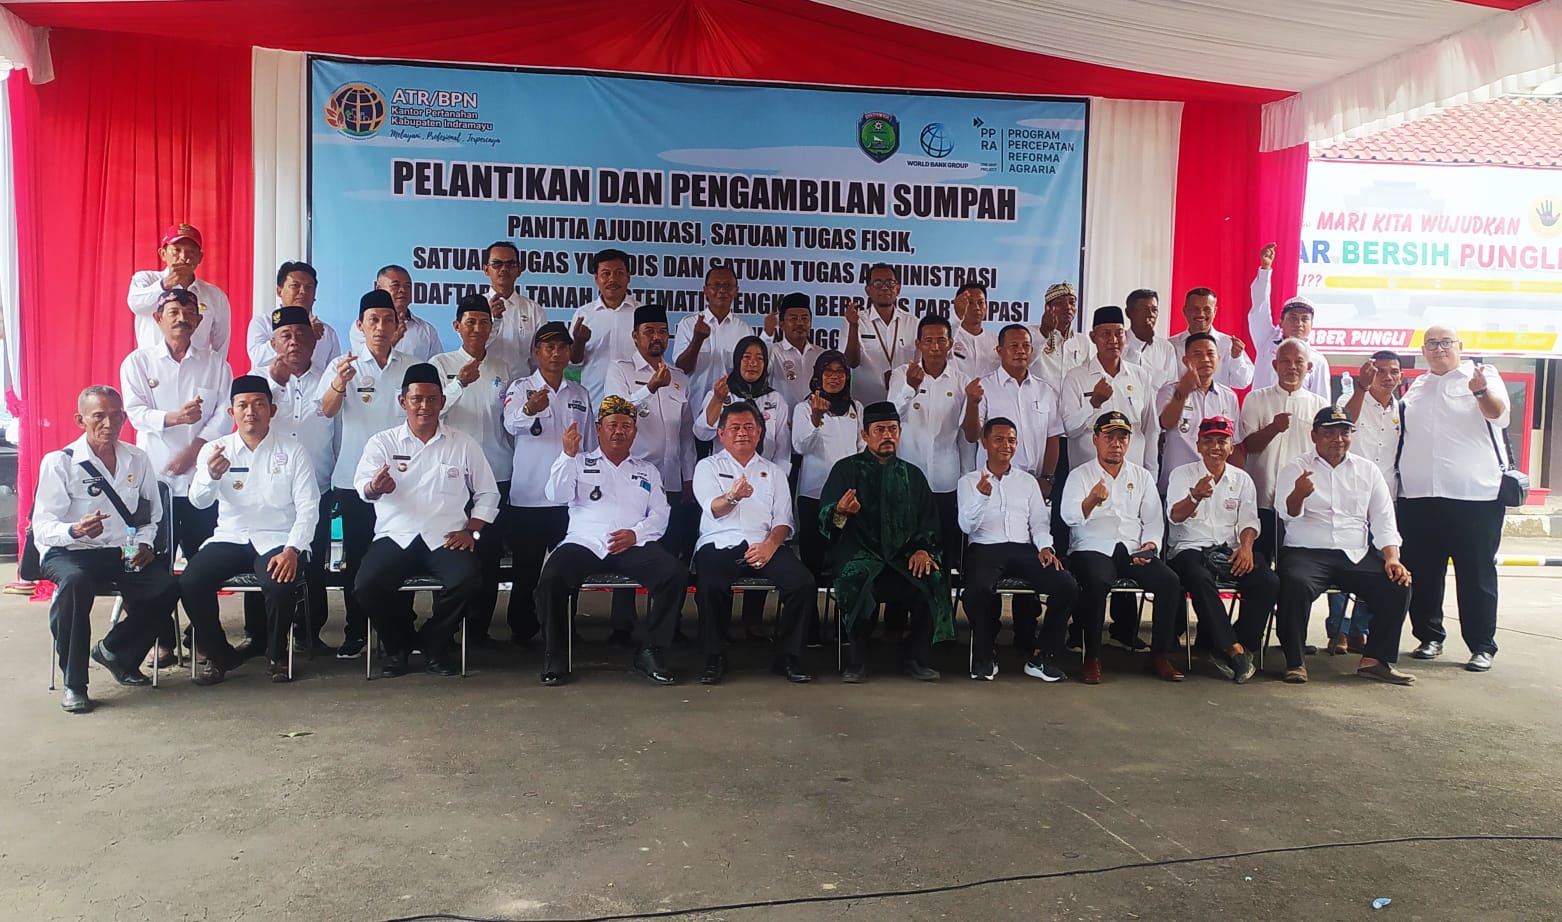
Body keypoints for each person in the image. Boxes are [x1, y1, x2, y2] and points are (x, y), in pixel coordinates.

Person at [34, 387, 179, 713]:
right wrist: (74, 529)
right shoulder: (60, 463)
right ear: (80, 420)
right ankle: (75, 684)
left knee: (167, 587)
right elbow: (42, 526)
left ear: (125, 418)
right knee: (75, 584)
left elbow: (150, 515)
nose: (109, 424)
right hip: (69, 551)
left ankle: (116, 651)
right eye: (98, 416)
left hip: (120, 550)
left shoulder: (137, 459)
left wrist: (145, 543)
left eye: (116, 416)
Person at [353, 363, 499, 678]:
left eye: (432, 399)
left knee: (468, 581)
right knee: (367, 585)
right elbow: (362, 486)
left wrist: (471, 531)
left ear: (442, 402)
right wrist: (375, 487)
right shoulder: (383, 442)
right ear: (402, 401)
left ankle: (436, 642)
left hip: (446, 537)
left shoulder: (462, 443)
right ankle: (397, 645)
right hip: (396, 535)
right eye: (417, 399)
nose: (424, 406)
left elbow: (488, 493)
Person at [534, 397, 687, 686]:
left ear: (635, 432)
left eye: (626, 426)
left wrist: (636, 534)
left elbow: (660, 514)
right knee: (551, 578)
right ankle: (555, 655)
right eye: (612, 425)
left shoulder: (647, 470)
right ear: (598, 428)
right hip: (584, 542)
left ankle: (652, 651)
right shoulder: (579, 461)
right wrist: (567, 455)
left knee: (674, 573)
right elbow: (556, 495)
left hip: (633, 543)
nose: (619, 431)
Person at [119, 287, 233, 666]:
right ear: (158, 318)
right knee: (155, 564)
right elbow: (134, 412)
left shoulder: (216, 365)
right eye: (173, 312)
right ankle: (163, 640)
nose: (182, 318)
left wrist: (194, 449)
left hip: (202, 480)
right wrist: (173, 418)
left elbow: (223, 416)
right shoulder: (138, 362)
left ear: (199, 320)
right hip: (155, 481)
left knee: (202, 566)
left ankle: (202, 638)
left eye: (188, 312)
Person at [182, 375, 319, 684]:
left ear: (272, 409)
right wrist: (209, 476)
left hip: (278, 537)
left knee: (280, 583)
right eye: (242, 405)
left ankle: (276, 654)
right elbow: (199, 502)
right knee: (191, 581)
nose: (250, 412)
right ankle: (220, 655)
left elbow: (309, 507)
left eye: (259, 404)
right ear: (231, 412)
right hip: (232, 536)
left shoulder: (293, 450)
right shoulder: (216, 450)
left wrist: (293, 550)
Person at [1274, 406, 1415, 685]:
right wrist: (1298, 494)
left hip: (1354, 552)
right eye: (1329, 433)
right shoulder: (1296, 468)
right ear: (1314, 436)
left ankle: (1375, 661)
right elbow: (1286, 513)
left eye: (1344, 432)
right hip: (1307, 551)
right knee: (1294, 584)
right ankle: (1295, 661)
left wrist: (1392, 557)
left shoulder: (1367, 470)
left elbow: (1384, 518)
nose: (1338, 439)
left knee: (1397, 584)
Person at [1397, 326, 1509, 672]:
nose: (1439, 348)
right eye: (1432, 343)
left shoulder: (1482, 375)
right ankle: (1429, 636)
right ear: (1423, 351)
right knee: (1423, 573)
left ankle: (1482, 645)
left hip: (1473, 496)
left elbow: (1499, 414)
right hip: (1418, 496)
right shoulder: (1417, 386)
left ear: (1460, 346)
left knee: (1475, 574)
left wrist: (1480, 392)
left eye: (1446, 342)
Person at [818, 403, 955, 683]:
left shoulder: (912, 475)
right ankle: (858, 661)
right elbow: (825, 519)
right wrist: (840, 511)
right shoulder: (845, 470)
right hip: (861, 553)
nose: (887, 436)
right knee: (855, 577)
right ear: (865, 435)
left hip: (904, 557)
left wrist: (922, 549)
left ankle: (917, 658)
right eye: (879, 430)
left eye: (892, 429)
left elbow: (929, 521)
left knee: (933, 576)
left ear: (900, 433)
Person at [318, 289, 420, 658]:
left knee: (403, 553)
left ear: (397, 325)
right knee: (357, 558)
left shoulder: (412, 367)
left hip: (403, 479)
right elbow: (326, 410)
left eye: (387, 320)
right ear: (360, 326)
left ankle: (403, 629)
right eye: (373, 320)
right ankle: (356, 631)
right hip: (354, 479)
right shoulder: (343, 365)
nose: (380, 327)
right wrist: (338, 384)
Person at [691, 402, 816, 685]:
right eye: (735, 428)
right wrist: (733, 496)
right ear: (721, 434)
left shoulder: (774, 472)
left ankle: (789, 657)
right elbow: (713, 508)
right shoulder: (708, 466)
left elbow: (784, 520)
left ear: (759, 432)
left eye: (749, 427)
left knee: (803, 583)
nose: (742, 433)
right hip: (720, 542)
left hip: (764, 543)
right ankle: (714, 656)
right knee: (710, 585)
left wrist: (770, 546)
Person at [1061, 411, 1185, 684]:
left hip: (1132, 548)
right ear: (1096, 439)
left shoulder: (1141, 476)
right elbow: (1068, 517)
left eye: (1122, 438)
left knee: (1169, 581)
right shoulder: (1080, 475)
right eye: (1109, 437)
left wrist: (1149, 545)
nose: (1116, 444)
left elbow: (1153, 520)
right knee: (1096, 581)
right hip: (1092, 546)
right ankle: (1092, 656)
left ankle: (1159, 655)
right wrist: (1091, 501)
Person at [957, 417, 1080, 682]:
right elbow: (966, 526)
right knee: (976, 590)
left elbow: (1039, 523)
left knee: (1067, 586)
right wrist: (981, 497)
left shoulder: (1027, 482)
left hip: (1023, 549)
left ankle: (1042, 657)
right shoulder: (969, 481)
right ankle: (984, 655)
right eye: (999, 439)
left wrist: (1045, 547)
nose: (1006, 445)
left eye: (1011, 440)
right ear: (985, 442)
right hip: (985, 548)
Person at [604, 304, 698, 644]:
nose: (656, 337)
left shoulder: (680, 377)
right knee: (629, 548)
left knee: (669, 552)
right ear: (635, 336)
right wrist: (650, 388)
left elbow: (686, 434)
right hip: (632, 480)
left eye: (661, 332)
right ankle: (622, 624)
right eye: (649, 332)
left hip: (670, 478)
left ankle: (667, 625)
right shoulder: (620, 369)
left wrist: (688, 476)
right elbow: (615, 412)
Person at [966, 324, 1063, 648]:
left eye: (1026, 346)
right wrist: (972, 403)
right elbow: (971, 434)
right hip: (993, 482)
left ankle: (1025, 633)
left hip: (1033, 484)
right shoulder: (985, 387)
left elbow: (1053, 438)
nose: (1021, 351)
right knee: (993, 553)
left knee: (1031, 550)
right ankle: (989, 632)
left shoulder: (1045, 390)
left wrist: (1048, 478)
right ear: (999, 351)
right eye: (1014, 346)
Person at [430, 294, 516, 646]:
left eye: (484, 322)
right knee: (451, 551)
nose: (478, 329)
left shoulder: (502, 368)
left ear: (491, 327)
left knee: (489, 555)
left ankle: (479, 629)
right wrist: (459, 383)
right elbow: (431, 412)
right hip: (452, 475)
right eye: (470, 322)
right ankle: (446, 630)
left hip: (496, 471)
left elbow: (508, 419)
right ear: (457, 326)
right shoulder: (440, 363)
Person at [1164, 417, 1276, 684]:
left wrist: (1246, 548)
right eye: (1208, 441)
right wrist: (1195, 496)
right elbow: (1174, 517)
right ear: (1198, 445)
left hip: (1230, 548)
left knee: (1268, 581)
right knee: (1199, 578)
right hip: (1189, 547)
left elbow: (1249, 521)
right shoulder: (1181, 474)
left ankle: (1237, 643)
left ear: (1231, 447)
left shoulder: (1242, 479)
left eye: (1222, 441)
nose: (1215, 447)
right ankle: (1232, 649)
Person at [254, 307, 338, 656]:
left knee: (313, 562)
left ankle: (310, 632)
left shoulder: (329, 378)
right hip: (268, 490)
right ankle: (258, 635)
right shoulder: (258, 380)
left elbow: (339, 431)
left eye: (302, 335)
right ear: (274, 343)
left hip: (316, 485)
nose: (294, 342)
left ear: (314, 341)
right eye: (285, 336)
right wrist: (275, 382)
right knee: (262, 557)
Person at [504, 322, 594, 646]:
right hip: (529, 496)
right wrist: (530, 409)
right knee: (526, 569)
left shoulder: (579, 393)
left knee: (568, 569)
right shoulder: (520, 388)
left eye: (562, 347)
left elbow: (590, 445)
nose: (556, 354)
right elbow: (510, 424)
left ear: (570, 352)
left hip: (569, 498)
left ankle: (564, 627)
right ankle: (522, 628)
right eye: (549, 347)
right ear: (536, 352)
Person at [1328, 350, 1403, 653]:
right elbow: (1346, 421)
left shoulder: (1402, 409)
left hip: (1386, 498)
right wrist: (1361, 387)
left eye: (1393, 371)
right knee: (1343, 559)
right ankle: (1338, 629)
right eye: (1380, 371)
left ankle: (1359, 628)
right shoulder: (1351, 400)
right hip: (1350, 496)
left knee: (1377, 564)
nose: (1387, 377)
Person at [888, 315, 975, 572]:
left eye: (941, 340)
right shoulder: (902, 374)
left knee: (943, 549)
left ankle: (941, 597)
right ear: (918, 344)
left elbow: (965, 438)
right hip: (908, 475)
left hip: (946, 479)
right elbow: (891, 418)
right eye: (928, 341)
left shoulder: (962, 381)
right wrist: (910, 388)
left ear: (950, 344)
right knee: (905, 547)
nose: (935, 347)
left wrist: (966, 479)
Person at [1240, 338, 1329, 556]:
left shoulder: (1320, 405)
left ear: (1309, 367)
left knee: (1293, 562)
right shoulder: (1256, 399)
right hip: (1261, 495)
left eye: (1299, 362)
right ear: (1275, 365)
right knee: (1260, 560)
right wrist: (1273, 428)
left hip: (1301, 500)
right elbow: (1247, 446)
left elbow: (1324, 453)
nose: (1292, 367)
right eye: (1285, 361)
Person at [791, 351, 863, 584]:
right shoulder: (804, 408)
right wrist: (815, 418)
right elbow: (800, 446)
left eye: (840, 371)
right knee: (812, 560)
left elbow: (862, 448)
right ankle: (809, 607)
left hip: (846, 496)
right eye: (828, 371)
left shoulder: (856, 407)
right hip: (814, 495)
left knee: (845, 559)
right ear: (818, 376)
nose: (834, 376)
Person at [1061, 306, 1159, 477]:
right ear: (1093, 337)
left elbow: (1150, 429)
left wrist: (1151, 473)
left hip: (1132, 476)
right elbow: (1070, 429)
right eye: (1106, 334)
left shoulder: (1140, 376)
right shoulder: (1075, 377)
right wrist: (1093, 404)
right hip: (1088, 476)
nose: (1113, 340)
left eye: (1118, 334)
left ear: (1125, 336)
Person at [126, 222, 231, 354]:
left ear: (200, 258)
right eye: (176, 250)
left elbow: (221, 345)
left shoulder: (215, 295)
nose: (183, 257)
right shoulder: (146, 279)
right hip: (152, 365)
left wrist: (213, 366)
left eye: (191, 251)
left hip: (196, 365)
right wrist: (165, 284)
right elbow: (135, 304)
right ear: (163, 253)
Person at [695, 336, 792, 475]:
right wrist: (717, 400)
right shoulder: (720, 393)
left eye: (759, 358)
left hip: (764, 476)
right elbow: (702, 434)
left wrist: (775, 478)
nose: (753, 363)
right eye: (746, 357)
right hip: (725, 474)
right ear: (737, 360)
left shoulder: (776, 399)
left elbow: (783, 449)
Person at [1156, 332, 1241, 493]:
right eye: (1197, 354)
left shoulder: (1229, 396)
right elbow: (1165, 423)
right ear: (1185, 361)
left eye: (1210, 354)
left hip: (1217, 487)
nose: (1205, 359)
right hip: (1177, 485)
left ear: (1218, 358)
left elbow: (1234, 444)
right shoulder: (1170, 390)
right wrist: (1182, 392)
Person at [673, 265, 756, 423]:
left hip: (731, 412)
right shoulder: (689, 324)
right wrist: (697, 339)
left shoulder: (744, 329)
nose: (722, 290)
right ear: (705, 290)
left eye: (728, 286)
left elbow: (748, 374)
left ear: (736, 291)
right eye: (716, 285)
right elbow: (682, 368)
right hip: (693, 408)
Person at [1248, 244, 1329, 398]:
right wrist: (1265, 269)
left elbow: (1321, 401)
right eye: (1293, 317)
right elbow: (1260, 307)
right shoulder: (1266, 341)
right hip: (1262, 411)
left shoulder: (1318, 361)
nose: (1299, 323)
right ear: (1281, 322)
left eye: (1305, 319)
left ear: (1311, 325)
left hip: (1299, 413)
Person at [569, 248, 642, 409]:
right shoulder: (584, 314)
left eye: (619, 273)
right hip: (594, 400)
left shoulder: (642, 314)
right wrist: (579, 342)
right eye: (606, 274)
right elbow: (573, 363)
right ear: (596, 278)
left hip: (636, 401)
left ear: (628, 277)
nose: (612, 279)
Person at [246, 261, 342, 370]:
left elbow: (334, 373)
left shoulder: (327, 333)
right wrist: (304, 334)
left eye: (309, 287)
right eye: (295, 286)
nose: (303, 291)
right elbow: (258, 358)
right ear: (279, 291)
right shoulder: (263, 323)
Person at [844, 263, 918, 404]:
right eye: (878, 283)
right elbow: (850, 363)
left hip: (904, 403)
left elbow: (920, 365)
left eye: (890, 283)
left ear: (898, 288)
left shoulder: (913, 323)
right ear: (868, 290)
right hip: (866, 404)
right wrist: (853, 326)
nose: (884, 288)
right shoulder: (855, 320)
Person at [479, 240, 547, 383]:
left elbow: (539, 360)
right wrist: (491, 319)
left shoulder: (534, 310)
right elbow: (472, 350)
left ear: (519, 270)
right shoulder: (475, 307)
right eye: (497, 264)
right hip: (482, 385)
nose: (504, 269)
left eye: (510, 264)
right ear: (486, 269)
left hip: (521, 387)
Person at [1169, 287, 1254, 390]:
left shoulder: (1228, 345)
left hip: (1217, 400)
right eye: (1195, 309)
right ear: (1185, 311)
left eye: (1207, 309)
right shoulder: (1170, 346)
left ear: (1215, 311)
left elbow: (1243, 382)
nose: (1201, 314)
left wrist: (1237, 358)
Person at [350, 265, 442, 360]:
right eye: (395, 285)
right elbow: (365, 362)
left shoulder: (427, 330)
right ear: (378, 289)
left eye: (407, 286)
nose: (402, 290)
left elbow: (436, 366)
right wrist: (393, 340)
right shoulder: (364, 327)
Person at [766, 292, 824, 412]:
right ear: (781, 324)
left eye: (805, 318)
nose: (800, 323)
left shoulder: (820, 354)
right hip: (781, 421)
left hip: (812, 420)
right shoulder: (772, 351)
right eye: (793, 318)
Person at [1031, 282, 1090, 389]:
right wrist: (1043, 333)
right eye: (1060, 303)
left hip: (1072, 399)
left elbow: (1085, 377)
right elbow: (1023, 364)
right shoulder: (1030, 334)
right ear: (1047, 308)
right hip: (1039, 399)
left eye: (1072, 303)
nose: (1068, 307)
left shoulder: (1082, 341)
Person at [1122, 288, 1178, 391]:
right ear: (1129, 313)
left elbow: (1171, 390)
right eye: (1144, 309)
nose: (1150, 314)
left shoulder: (1165, 348)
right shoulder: (1117, 345)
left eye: (1154, 310)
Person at [950, 283, 999, 379]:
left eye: (981, 303)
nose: (976, 307)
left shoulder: (996, 341)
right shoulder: (950, 337)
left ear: (986, 306)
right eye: (970, 302)